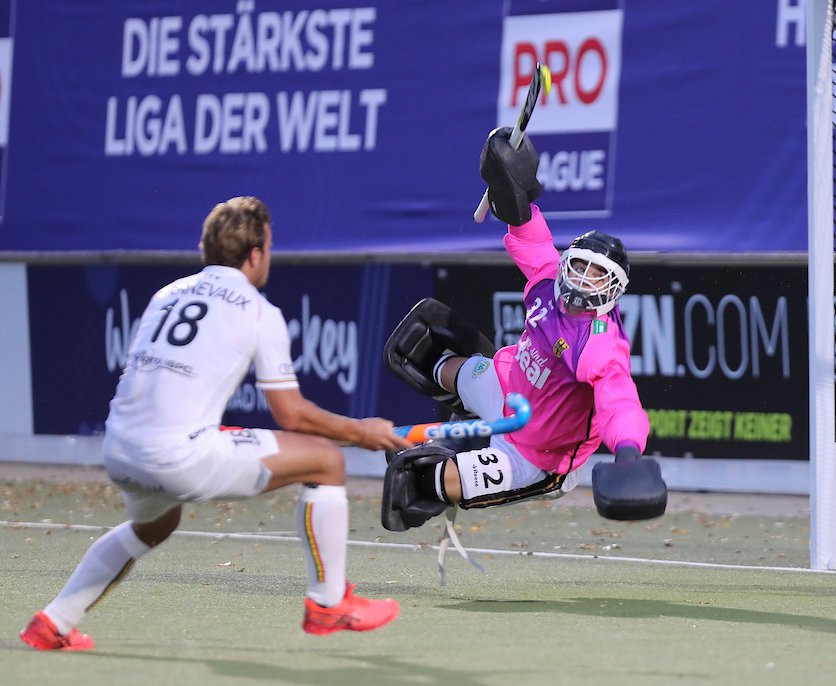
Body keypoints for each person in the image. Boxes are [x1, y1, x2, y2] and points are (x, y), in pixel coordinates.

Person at [19, 196, 411, 651]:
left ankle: (54, 621)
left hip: (120, 448)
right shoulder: (259, 312)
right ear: (256, 254)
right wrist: (361, 432)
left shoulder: (166, 295)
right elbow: (293, 415)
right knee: (324, 461)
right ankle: (327, 604)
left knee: (153, 525)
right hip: (176, 457)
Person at [379, 126, 667, 536]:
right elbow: (531, 236)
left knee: (417, 481)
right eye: (581, 266)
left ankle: (460, 454)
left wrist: (627, 454)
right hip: (508, 389)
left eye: (597, 274)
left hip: (537, 456)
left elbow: (620, 404)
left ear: (614, 289)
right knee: (423, 353)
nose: (584, 279)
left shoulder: (599, 345)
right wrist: (511, 190)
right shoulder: (549, 282)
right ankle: (469, 424)